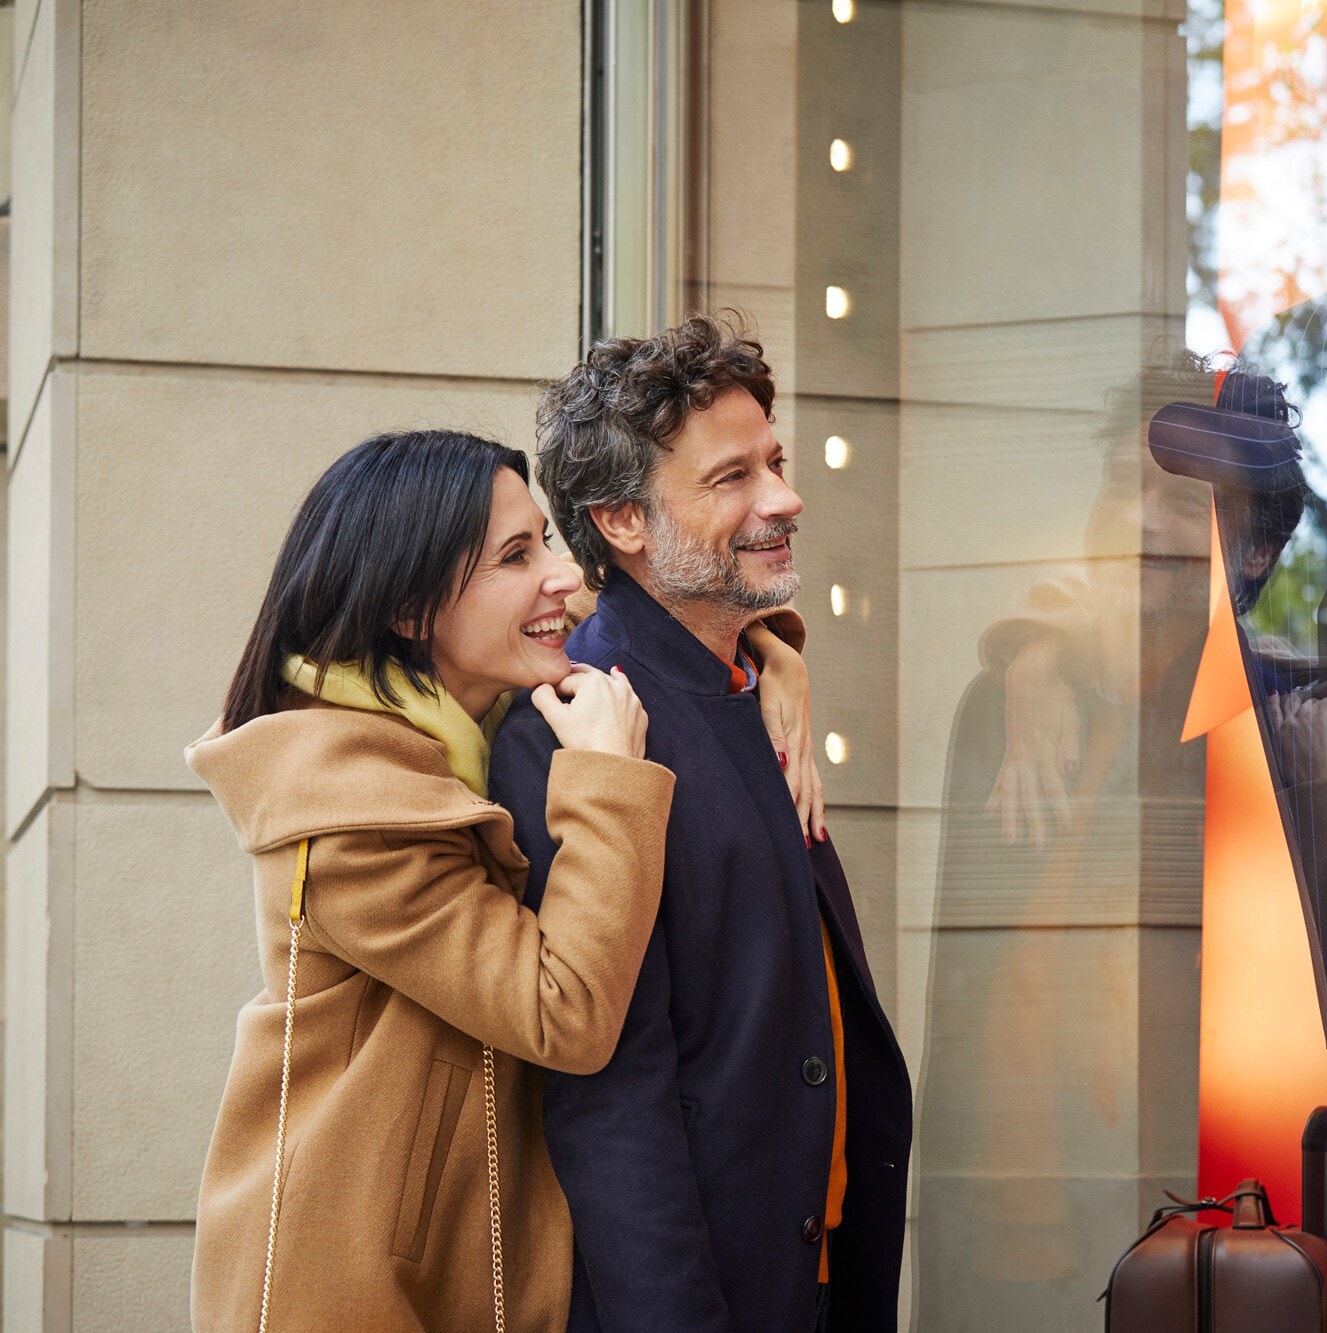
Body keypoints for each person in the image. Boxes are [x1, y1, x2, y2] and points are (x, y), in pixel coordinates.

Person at [186, 429, 816, 1329]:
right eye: (518, 554)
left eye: (551, 539)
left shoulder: (464, 730)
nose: (562, 574)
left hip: (473, 1272)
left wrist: (773, 656)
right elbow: (564, 1011)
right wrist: (608, 778)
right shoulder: (350, 812)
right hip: (361, 1287)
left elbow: (665, 601)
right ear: (410, 609)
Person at [489, 312, 912, 1332]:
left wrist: (779, 655)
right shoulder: (574, 727)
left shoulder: (750, 679)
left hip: (808, 1270)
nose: (784, 497)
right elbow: (608, 1096)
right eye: (732, 478)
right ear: (622, 521)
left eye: (775, 461)